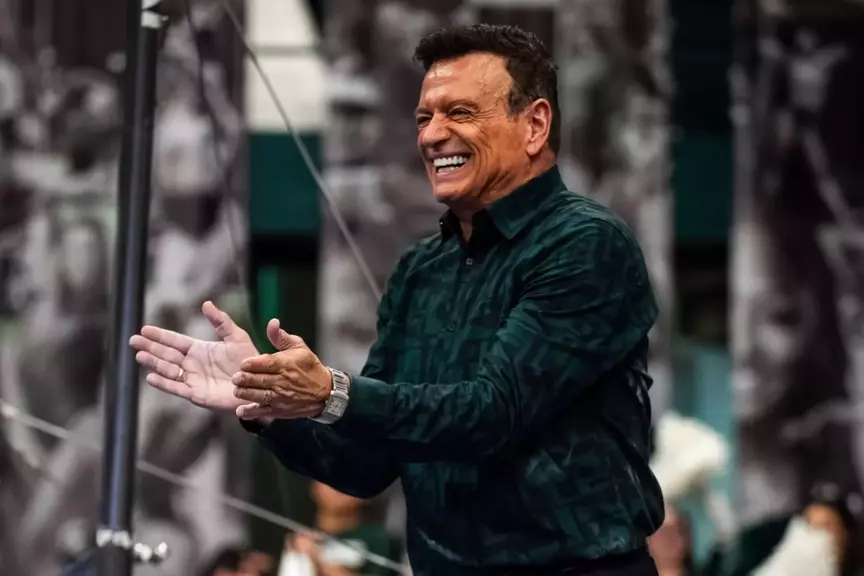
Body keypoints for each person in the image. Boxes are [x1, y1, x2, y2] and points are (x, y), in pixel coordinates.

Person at [131, 24, 663, 575]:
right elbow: (367, 465)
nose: (433, 135)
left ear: (535, 124)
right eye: (424, 118)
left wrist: (331, 393)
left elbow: (492, 414)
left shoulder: (586, 244)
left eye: (460, 113)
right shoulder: (419, 270)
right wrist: (269, 407)